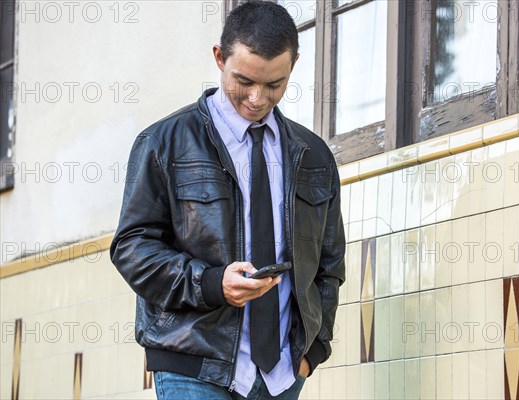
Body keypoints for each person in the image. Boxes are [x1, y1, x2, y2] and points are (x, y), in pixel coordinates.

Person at [109, 1, 346, 399]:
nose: (257, 98)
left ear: (295, 65)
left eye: (274, 85)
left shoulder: (314, 155)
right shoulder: (163, 143)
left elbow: (329, 262)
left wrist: (315, 348)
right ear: (219, 58)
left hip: (284, 374)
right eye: (244, 81)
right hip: (193, 363)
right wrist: (211, 283)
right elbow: (131, 248)